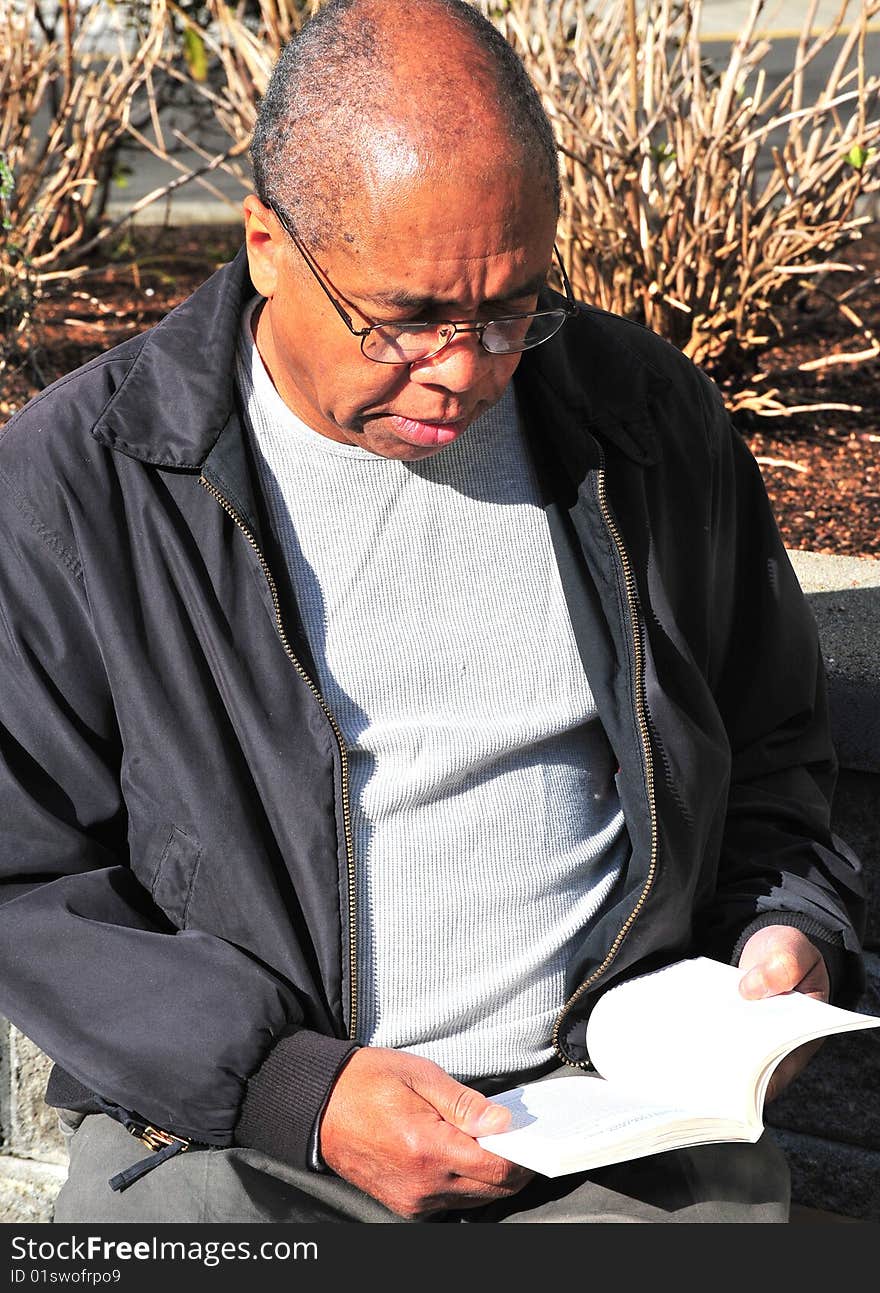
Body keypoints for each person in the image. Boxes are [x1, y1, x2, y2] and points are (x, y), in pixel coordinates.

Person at [0, 0, 866, 1225]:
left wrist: (783, 931)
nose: (465, 368)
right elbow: (21, 882)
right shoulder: (78, 483)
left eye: (512, 306)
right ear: (264, 244)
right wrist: (295, 1089)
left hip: (612, 1144)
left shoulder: (647, 425)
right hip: (233, 1150)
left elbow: (775, 752)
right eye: (405, 318)